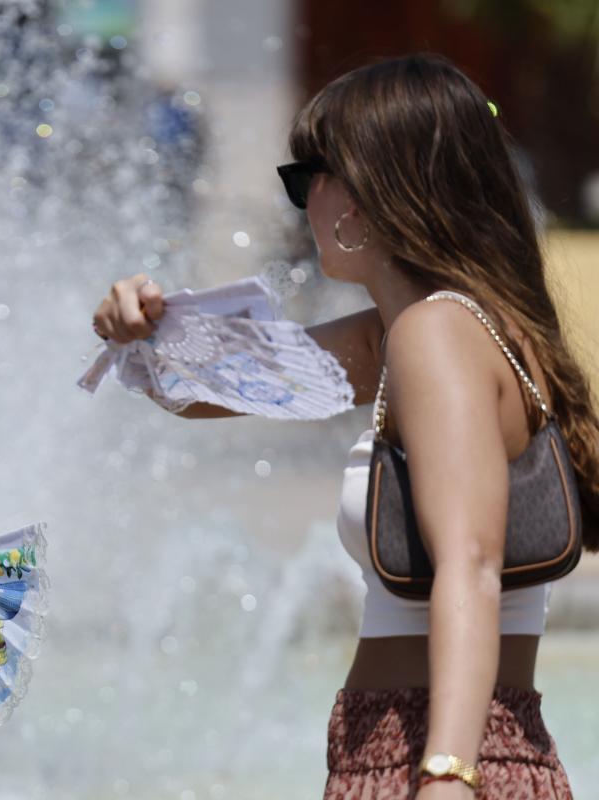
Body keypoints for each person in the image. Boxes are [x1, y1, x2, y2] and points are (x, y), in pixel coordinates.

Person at [92, 54, 598, 798]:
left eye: (307, 180)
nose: (302, 208)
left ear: (367, 190)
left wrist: (447, 773)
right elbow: (209, 391)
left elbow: (471, 564)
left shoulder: (434, 337)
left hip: (428, 748)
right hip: (462, 743)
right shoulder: (449, 332)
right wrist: (136, 331)